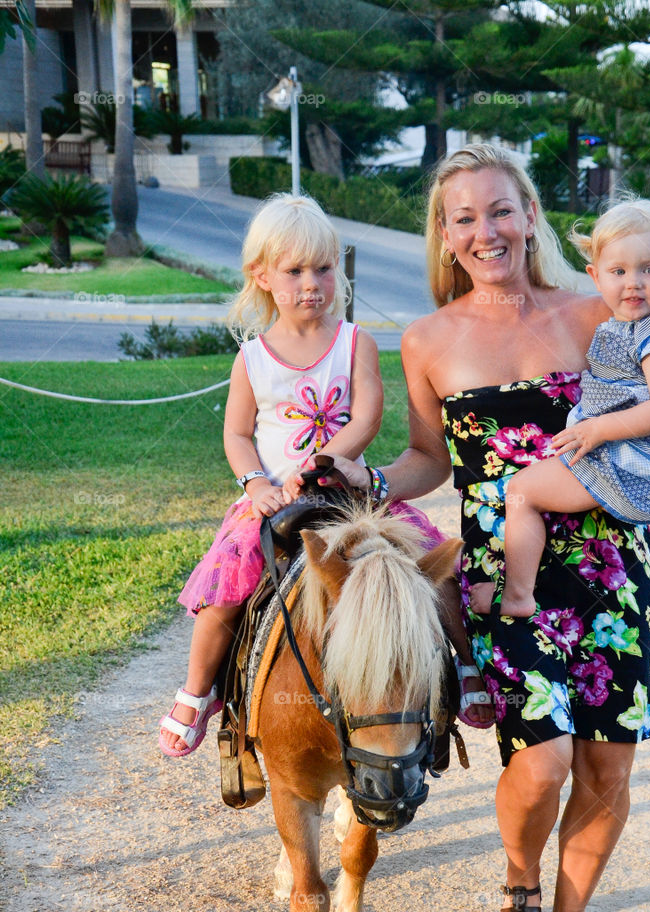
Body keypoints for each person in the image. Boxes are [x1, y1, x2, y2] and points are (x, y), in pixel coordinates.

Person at [311, 145, 650, 912]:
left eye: (500, 210)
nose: (486, 231)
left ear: (530, 216)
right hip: (503, 578)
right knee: (543, 761)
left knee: (606, 765)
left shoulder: (596, 314)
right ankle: (520, 884)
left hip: (610, 567)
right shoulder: (427, 339)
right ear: (444, 235)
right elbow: (428, 457)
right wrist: (366, 480)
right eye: (465, 218)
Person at [159, 193, 490, 758]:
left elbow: (366, 417)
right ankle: (199, 690)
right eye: (294, 271)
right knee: (224, 588)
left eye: (324, 268)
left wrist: (326, 463)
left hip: (347, 494)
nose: (312, 284)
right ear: (261, 275)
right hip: (273, 500)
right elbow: (237, 434)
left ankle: (464, 664)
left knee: (430, 568)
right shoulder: (252, 358)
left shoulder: (354, 343)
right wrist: (257, 485)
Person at [499, 198, 650, 618]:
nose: (634, 283)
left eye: (649, 269)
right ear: (595, 276)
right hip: (632, 457)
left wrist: (596, 430)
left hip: (632, 462)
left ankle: (517, 595)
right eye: (618, 272)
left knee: (521, 492)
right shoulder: (646, 323)